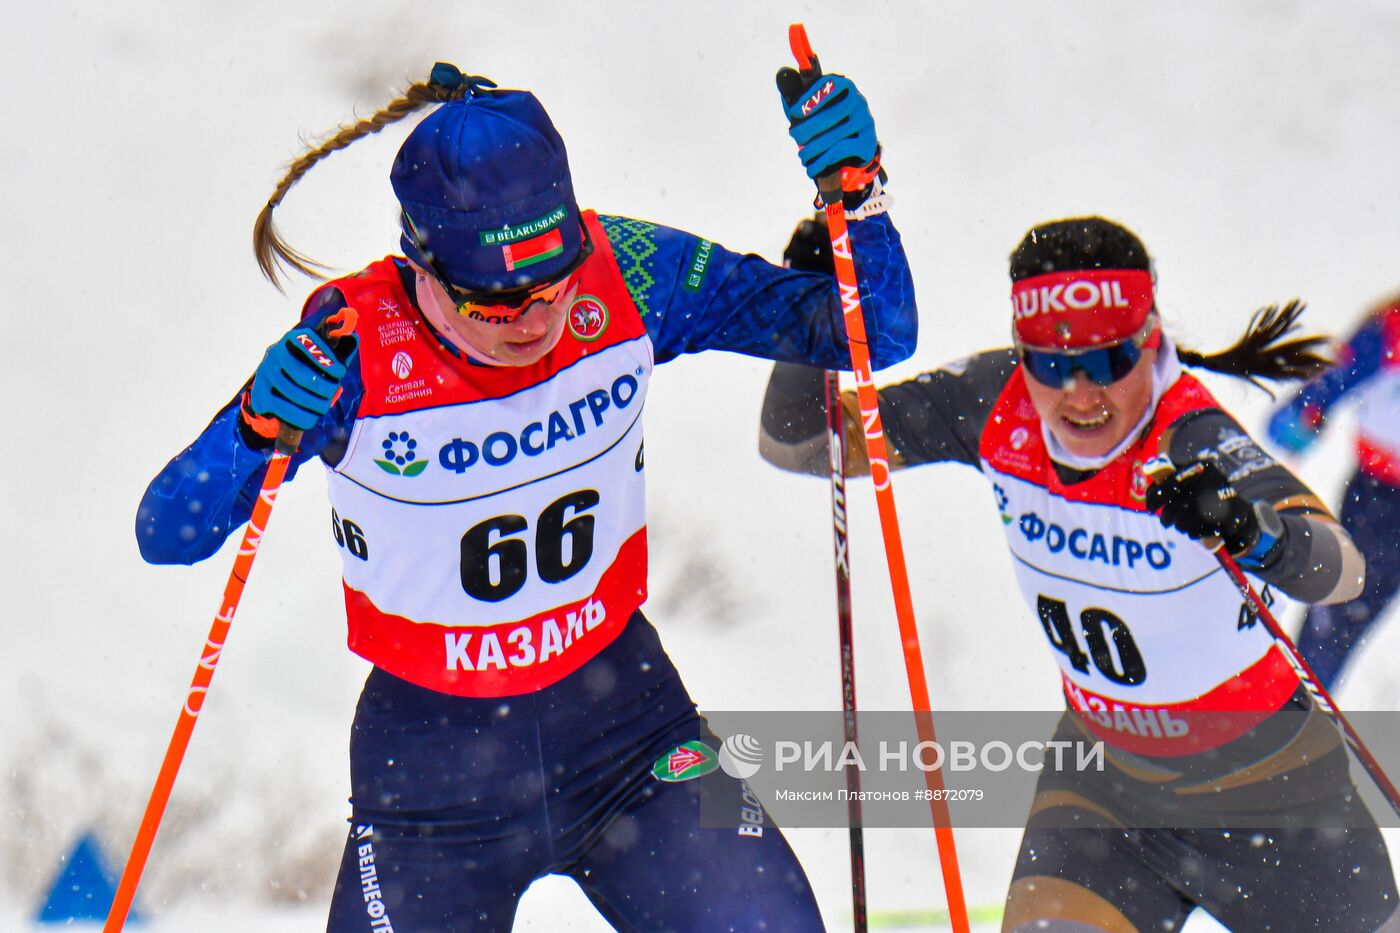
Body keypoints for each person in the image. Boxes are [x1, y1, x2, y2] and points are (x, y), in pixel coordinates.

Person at [136, 60, 914, 932]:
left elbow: (867, 331)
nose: (537, 320)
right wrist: (247, 426)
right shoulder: (353, 345)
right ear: (420, 266)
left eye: (556, 285)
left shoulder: (628, 269)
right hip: (432, 785)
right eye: (497, 304)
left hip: (631, 735)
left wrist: (861, 199)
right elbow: (168, 530)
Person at [760, 215, 1399, 932]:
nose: (1080, 395)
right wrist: (806, 312)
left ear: (1150, 342)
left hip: (1272, 794)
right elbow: (803, 443)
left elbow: (1342, 570)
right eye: (1051, 365)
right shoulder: (993, 402)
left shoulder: (1190, 436)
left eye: (1107, 362)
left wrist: (1253, 531)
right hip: (1105, 792)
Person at [1267, 294, 1400, 690]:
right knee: (1335, 627)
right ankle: (1294, 714)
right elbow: (1309, 400)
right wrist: (1302, 417)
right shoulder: (1388, 334)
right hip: (1382, 505)